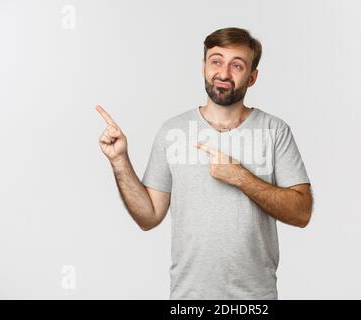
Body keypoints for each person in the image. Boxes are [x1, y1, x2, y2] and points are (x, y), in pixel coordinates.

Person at [96, 27, 314, 300]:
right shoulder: (173, 131)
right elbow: (148, 216)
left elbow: (301, 212)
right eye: (216, 61)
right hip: (189, 299)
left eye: (237, 65)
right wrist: (119, 161)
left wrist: (240, 177)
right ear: (203, 67)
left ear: (253, 77)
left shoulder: (275, 131)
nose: (224, 73)